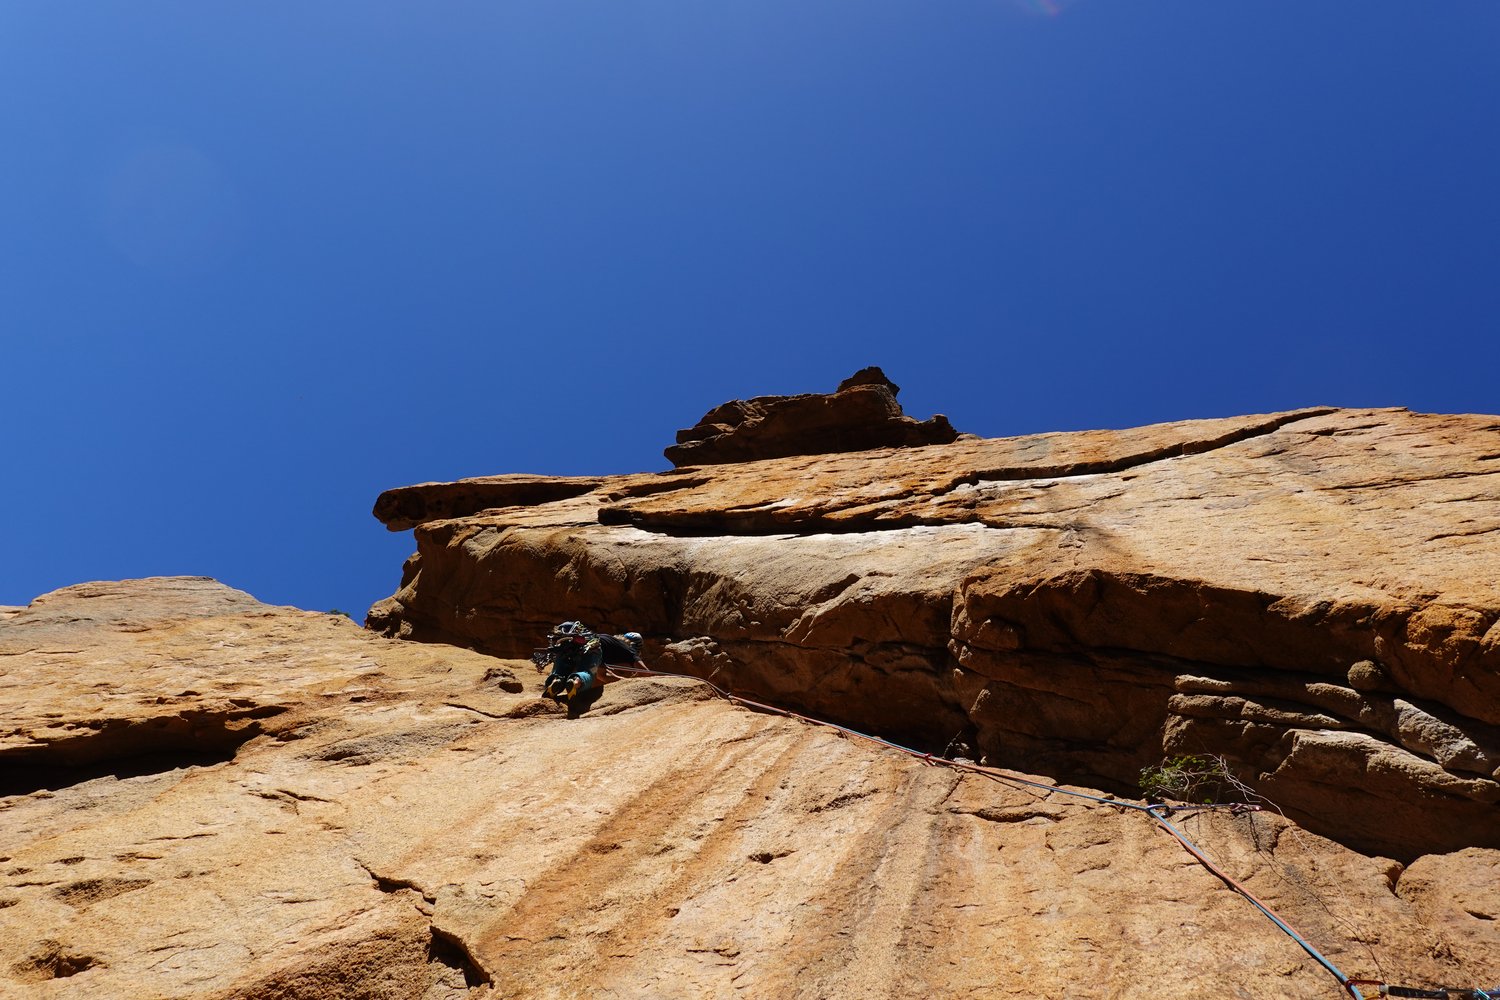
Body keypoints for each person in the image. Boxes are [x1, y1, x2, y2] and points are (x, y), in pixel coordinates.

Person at [541, 621, 643, 705]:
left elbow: (600, 673)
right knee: (587, 671)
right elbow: (645, 672)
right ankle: (576, 682)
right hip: (591, 648)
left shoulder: (608, 641)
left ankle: (556, 680)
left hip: (565, 644)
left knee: (560, 670)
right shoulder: (628, 650)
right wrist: (628, 682)